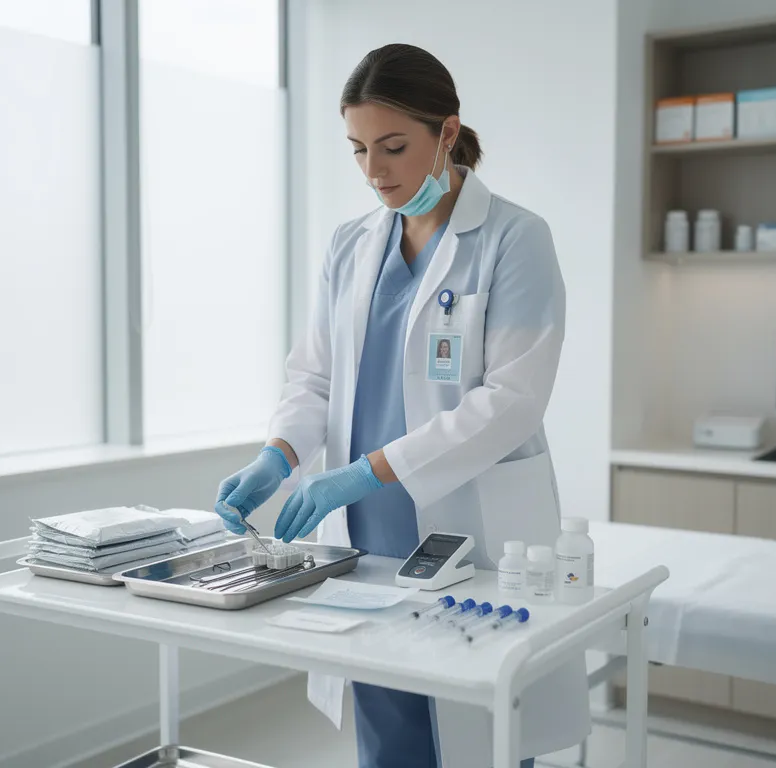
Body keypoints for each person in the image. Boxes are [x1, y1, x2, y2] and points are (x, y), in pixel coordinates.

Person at [214, 43, 586, 768]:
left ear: (447, 133)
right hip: (369, 540)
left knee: (483, 734)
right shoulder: (349, 247)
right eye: (357, 150)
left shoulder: (515, 239)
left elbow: (512, 400)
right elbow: (314, 376)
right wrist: (278, 454)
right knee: (390, 736)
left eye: (393, 146)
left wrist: (364, 471)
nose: (375, 172)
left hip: (471, 533)